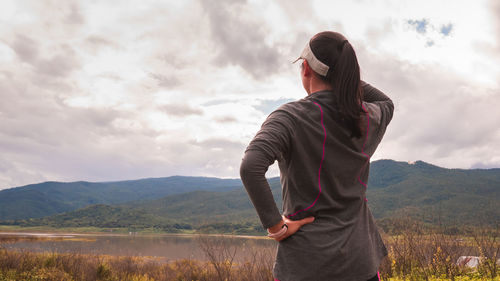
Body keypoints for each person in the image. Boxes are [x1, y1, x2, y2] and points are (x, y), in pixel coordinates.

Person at [240, 31, 394, 281]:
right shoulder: (368, 117)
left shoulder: (289, 118)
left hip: (305, 264)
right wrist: (344, 78)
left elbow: (251, 167)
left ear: (306, 68)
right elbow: (386, 101)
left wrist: (276, 227)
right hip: (360, 262)